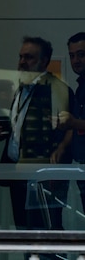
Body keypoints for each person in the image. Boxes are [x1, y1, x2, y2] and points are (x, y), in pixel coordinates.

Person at [0, 36, 72, 230]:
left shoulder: (57, 89)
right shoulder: (22, 88)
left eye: (29, 57)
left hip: (41, 179)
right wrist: (10, 132)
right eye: (21, 56)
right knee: (25, 233)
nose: (22, 62)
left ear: (44, 61)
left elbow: (65, 131)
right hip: (19, 174)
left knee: (46, 234)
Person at [57, 32, 85, 213]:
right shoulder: (80, 86)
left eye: (81, 54)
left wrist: (73, 123)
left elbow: (77, 123)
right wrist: (61, 148)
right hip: (80, 165)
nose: (76, 60)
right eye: (72, 55)